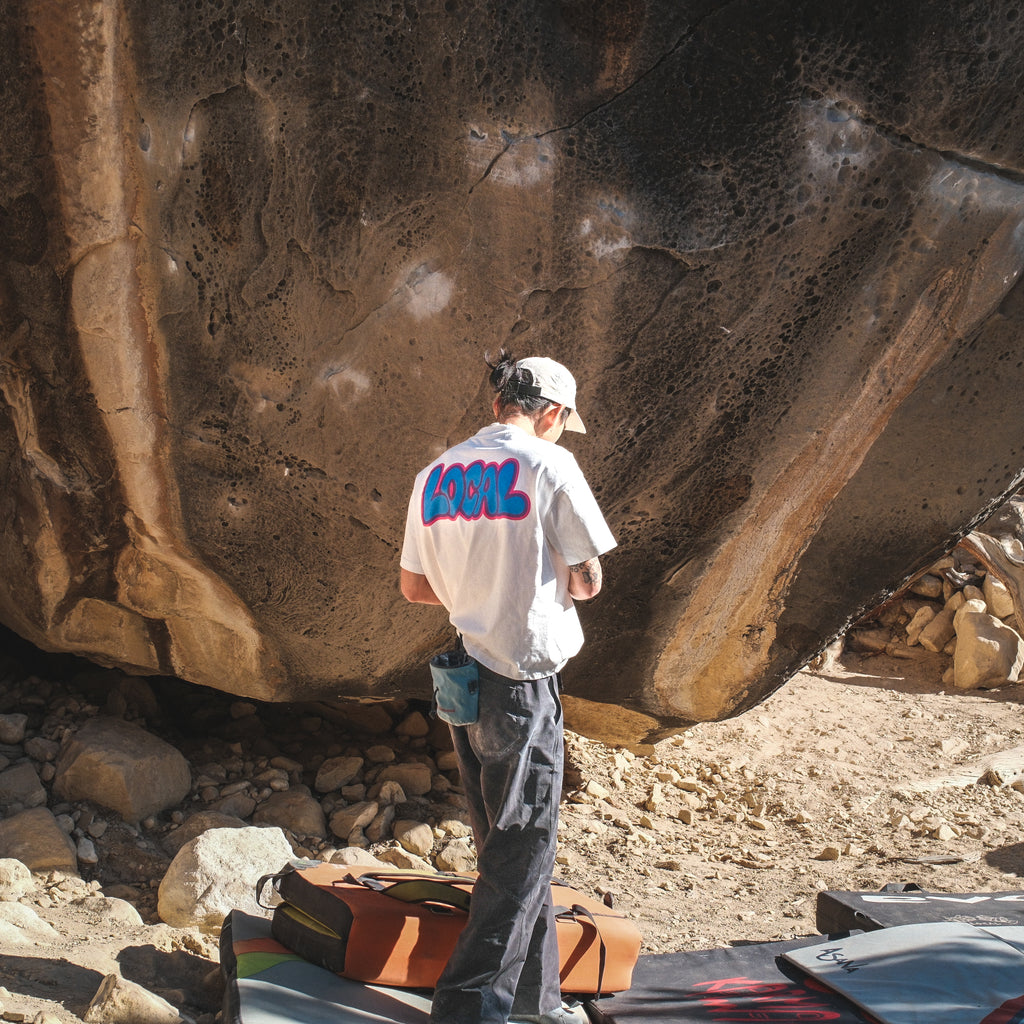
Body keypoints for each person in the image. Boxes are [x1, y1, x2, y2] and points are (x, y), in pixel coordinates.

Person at [400, 350, 616, 1024]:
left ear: (498, 404)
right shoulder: (549, 464)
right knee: (524, 850)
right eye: (559, 421)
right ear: (551, 413)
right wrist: (543, 582)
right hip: (520, 676)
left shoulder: (435, 474)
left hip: (464, 670)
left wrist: (477, 588)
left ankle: (537, 1001)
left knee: (506, 842)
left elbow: (413, 586)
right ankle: (468, 1009)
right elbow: (588, 579)